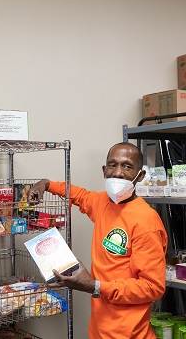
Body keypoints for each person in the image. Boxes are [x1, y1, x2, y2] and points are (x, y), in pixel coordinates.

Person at [28, 142, 168, 339]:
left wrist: (95, 286)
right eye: (112, 164)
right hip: (98, 331)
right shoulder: (103, 203)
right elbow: (80, 195)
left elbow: (152, 288)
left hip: (129, 334)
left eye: (127, 166)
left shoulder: (146, 221)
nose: (118, 173)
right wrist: (46, 184)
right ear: (104, 170)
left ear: (141, 175)